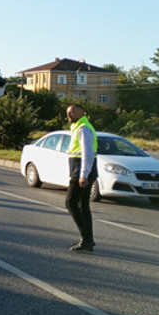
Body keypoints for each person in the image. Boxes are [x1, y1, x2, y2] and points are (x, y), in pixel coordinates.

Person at [65, 104, 98, 252]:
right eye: (67, 113)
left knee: (70, 203)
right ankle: (88, 240)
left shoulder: (83, 128)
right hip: (82, 171)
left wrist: (83, 175)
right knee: (82, 205)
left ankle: (86, 239)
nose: (69, 116)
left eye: (72, 112)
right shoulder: (78, 127)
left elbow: (87, 153)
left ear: (81, 113)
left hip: (81, 172)